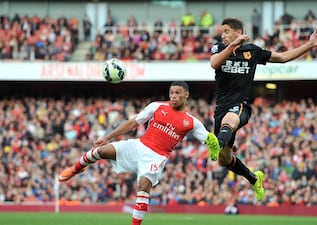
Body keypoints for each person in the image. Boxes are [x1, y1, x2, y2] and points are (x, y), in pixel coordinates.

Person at [58, 81, 220, 225]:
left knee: (143, 186)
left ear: (186, 94)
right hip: (138, 146)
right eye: (171, 92)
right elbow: (132, 123)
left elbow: (209, 139)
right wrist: (108, 137)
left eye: (178, 92)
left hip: (156, 156)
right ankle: (76, 168)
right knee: (100, 151)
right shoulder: (157, 106)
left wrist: (221, 146)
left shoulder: (192, 122)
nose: (174, 96)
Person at [209, 17, 317, 202]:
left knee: (229, 121)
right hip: (221, 108)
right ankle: (254, 178)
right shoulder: (218, 48)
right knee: (224, 160)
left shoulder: (252, 51)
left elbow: (282, 57)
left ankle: (218, 143)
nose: (222, 35)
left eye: (226, 31)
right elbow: (214, 63)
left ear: (238, 33)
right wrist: (232, 46)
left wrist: (309, 45)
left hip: (240, 106)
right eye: (222, 32)